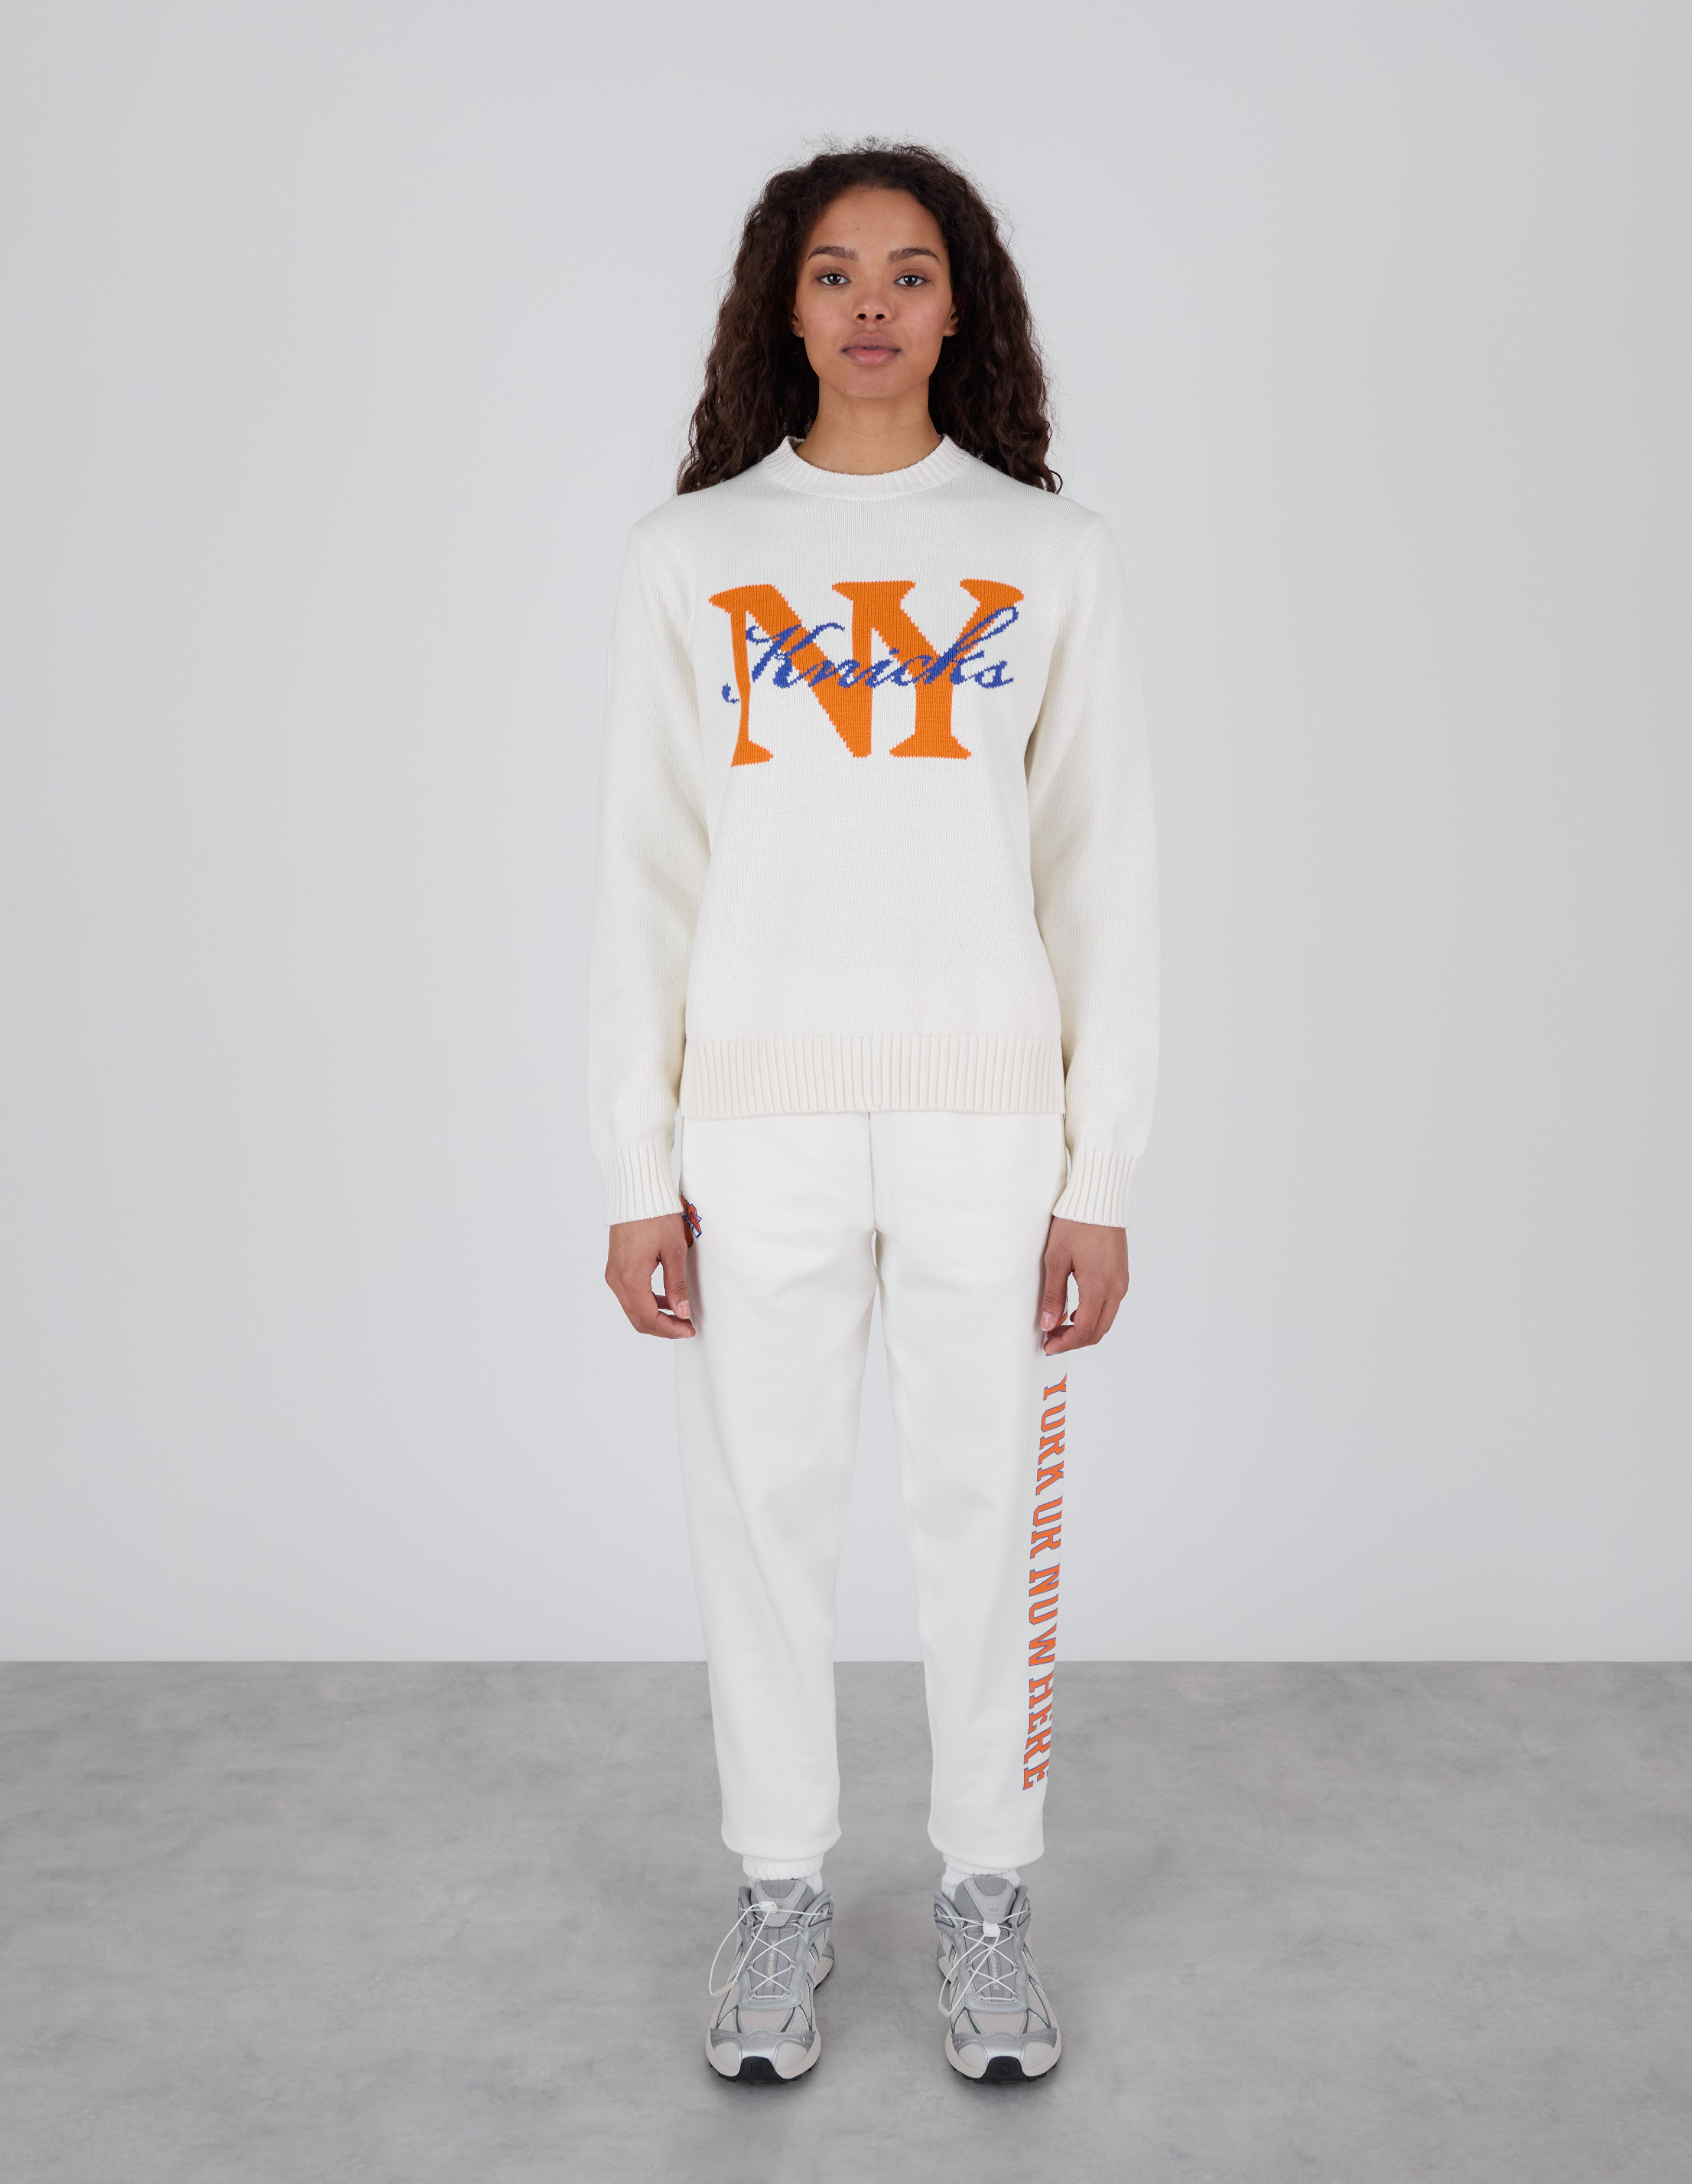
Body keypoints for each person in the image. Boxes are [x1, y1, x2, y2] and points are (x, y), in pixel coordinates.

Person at [589, 141, 1158, 2085]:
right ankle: (777, 1897)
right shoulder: (689, 558)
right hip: (752, 1126)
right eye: (833, 272)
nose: (869, 307)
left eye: (908, 273)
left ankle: (987, 1899)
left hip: (985, 1125)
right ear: (783, 302)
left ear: (957, 304)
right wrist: (634, 1166)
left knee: (984, 1514)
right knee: (759, 1518)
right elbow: (642, 879)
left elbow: (1099, 879)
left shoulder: (1049, 555)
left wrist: (1097, 1172)